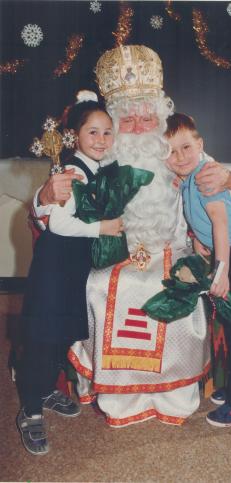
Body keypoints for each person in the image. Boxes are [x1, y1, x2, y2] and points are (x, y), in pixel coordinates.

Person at [31, 45, 231, 427]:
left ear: (160, 116)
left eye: (145, 115)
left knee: (174, 293)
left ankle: (173, 392)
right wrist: (46, 196)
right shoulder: (99, 159)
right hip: (114, 253)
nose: (137, 125)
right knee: (101, 288)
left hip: (175, 247)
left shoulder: (179, 152)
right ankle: (116, 395)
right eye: (127, 119)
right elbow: (47, 213)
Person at [16, 91, 123, 455]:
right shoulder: (73, 171)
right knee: (44, 336)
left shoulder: (95, 170)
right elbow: (59, 223)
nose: (101, 140)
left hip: (73, 265)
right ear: (76, 135)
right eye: (92, 132)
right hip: (55, 265)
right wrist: (102, 229)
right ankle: (30, 410)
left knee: (61, 333)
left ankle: (45, 390)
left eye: (107, 133)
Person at [165, 112, 231, 427]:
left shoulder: (203, 177)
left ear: (201, 144)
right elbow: (206, 225)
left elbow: (221, 223)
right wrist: (200, 243)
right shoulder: (187, 181)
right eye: (171, 151)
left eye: (186, 147)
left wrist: (222, 270)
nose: (180, 156)